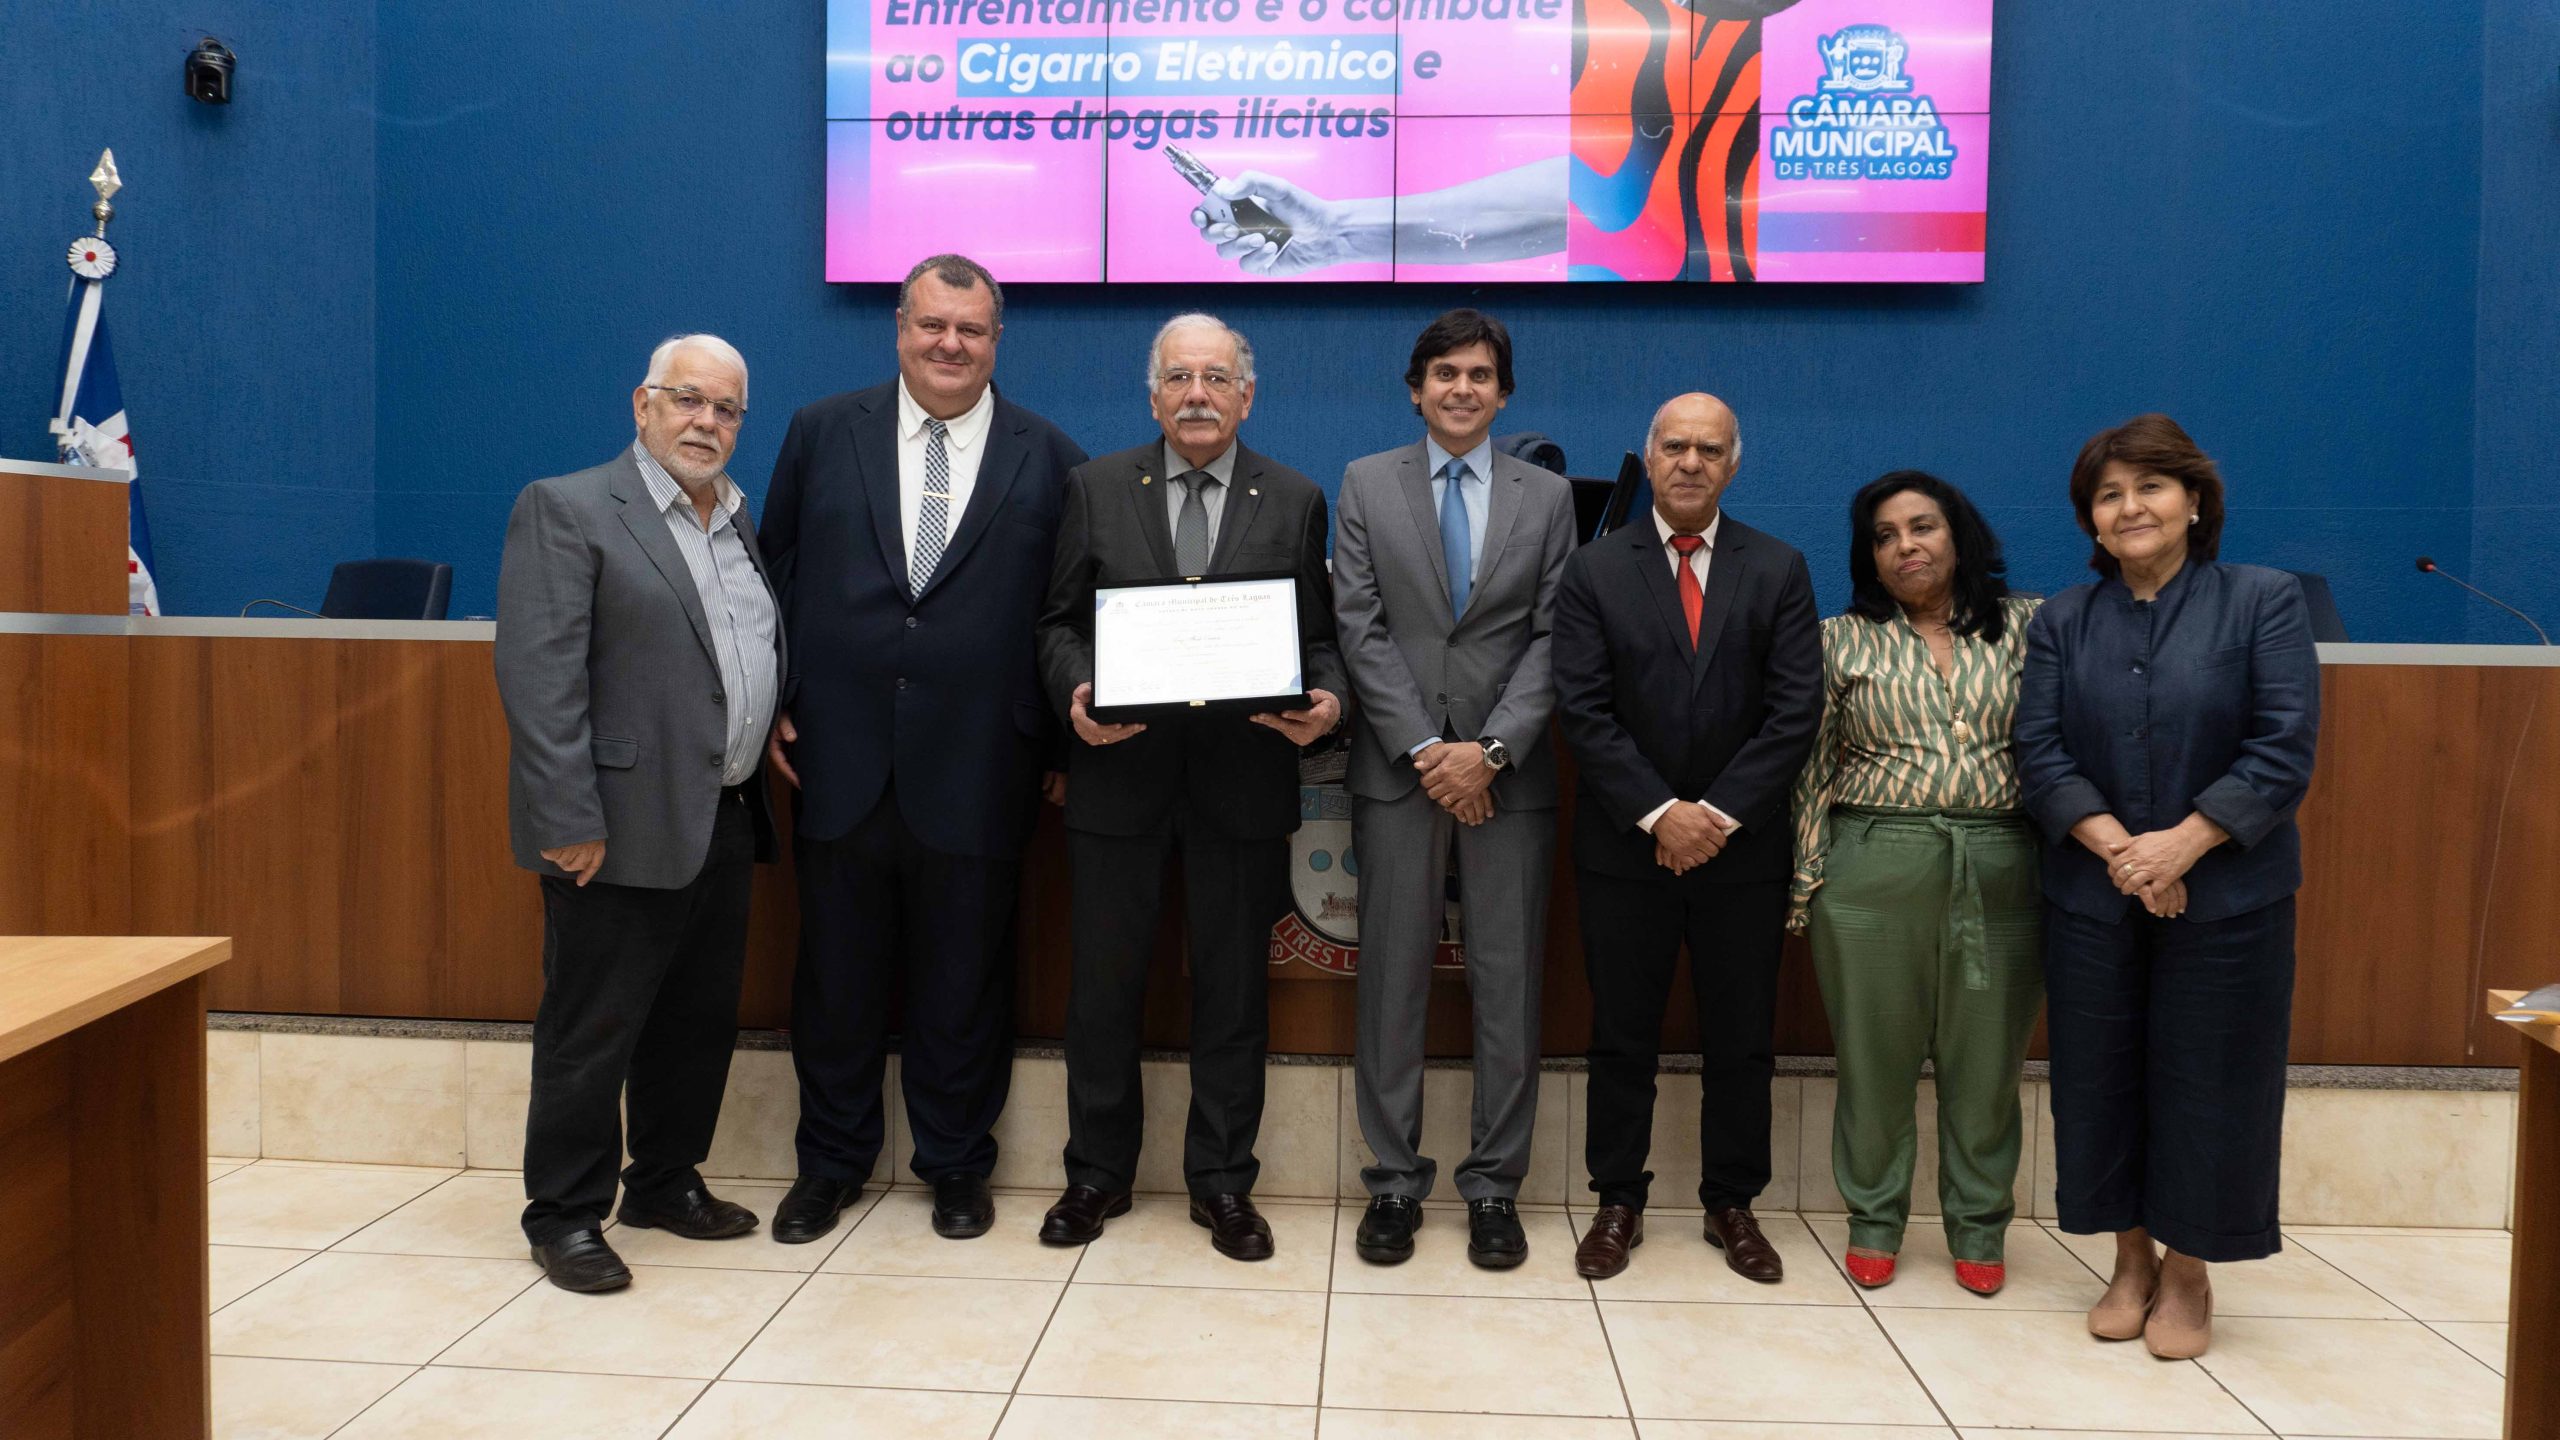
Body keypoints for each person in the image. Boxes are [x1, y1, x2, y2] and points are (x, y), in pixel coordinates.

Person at [758, 254, 1087, 1246]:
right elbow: (773, 575)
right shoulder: (822, 432)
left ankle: (955, 1164)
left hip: (985, 763)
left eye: (971, 329)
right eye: (932, 324)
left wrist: (1058, 743)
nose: (950, 343)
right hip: (838, 755)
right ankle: (830, 1165)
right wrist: (773, 701)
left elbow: (1064, 614)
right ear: (900, 327)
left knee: (965, 982)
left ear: (997, 341)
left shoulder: (1052, 456)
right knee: (835, 980)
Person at [1034, 313, 1347, 1260]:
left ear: (1247, 396)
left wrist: (1328, 700)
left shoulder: (1294, 497)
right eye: (1178, 377)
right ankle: (1096, 1174)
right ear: (1153, 395)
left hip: (1241, 783)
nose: (1197, 395)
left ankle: (1222, 1183)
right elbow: (1057, 624)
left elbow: (1320, 638)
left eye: (1215, 378)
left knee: (1233, 994)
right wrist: (1075, 690)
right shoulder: (1094, 488)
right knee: (1103, 990)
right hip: (1117, 776)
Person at [2017, 413, 2319, 1359]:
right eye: (2108, 495)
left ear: (2194, 501)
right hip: (2093, 896)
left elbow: (2283, 747)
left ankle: (2189, 1271)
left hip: (2229, 900)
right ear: (2090, 521)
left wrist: (2183, 847)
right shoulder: (2063, 620)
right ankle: (2129, 1259)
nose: (2130, 507)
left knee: (2211, 1081)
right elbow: (2039, 753)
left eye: (2149, 486)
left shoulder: (2262, 600)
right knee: (2098, 1081)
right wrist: (2128, 857)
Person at [494, 334, 782, 1293]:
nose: (707, 422)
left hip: (724, 811)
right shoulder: (569, 507)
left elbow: (730, 656)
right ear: (642, 403)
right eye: (688, 399)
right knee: (593, 1028)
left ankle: (663, 1181)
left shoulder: (737, 517)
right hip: (611, 825)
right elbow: (539, 679)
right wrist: (566, 815)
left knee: (695, 1022)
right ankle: (565, 1213)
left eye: (727, 409)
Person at [1551, 393, 1822, 1282]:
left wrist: (1715, 817)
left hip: (1742, 852)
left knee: (1741, 1037)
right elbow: (1583, 710)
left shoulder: (1778, 567)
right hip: (1625, 848)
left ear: (1733, 465)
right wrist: (1662, 813)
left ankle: (1732, 1203)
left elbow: (1795, 712)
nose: (1691, 462)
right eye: (1675, 446)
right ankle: (1617, 1199)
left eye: (1709, 449)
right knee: (1620, 1032)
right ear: (1652, 454)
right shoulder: (1594, 569)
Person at [1333, 310, 1577, 1269]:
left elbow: (1556, 635)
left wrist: (1492, 752)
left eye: (1480, 375)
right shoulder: (1366, 482)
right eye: (1444, 373)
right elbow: (1359, 626)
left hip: (1510, 778)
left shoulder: (1547, 497)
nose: (1462, 389)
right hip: (1401, 772)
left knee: (1507, 983)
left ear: (1504, 393)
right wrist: (1432, 752)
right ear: (1416, 389)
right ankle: (1393, 1183)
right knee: (1391, 980)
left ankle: (1494, 1187)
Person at [1787, 471, 2043, 1295]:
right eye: (1885, 536)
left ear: (1958, 535)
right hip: (1871, 868)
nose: (1906, 546)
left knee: (1988, 1063)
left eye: (1922, 527)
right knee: (1875, 1061)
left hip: (2002, 865)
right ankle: (1874, 1219)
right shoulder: (1839, 640)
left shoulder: (2032, 629)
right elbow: (1810, 769)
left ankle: (1979, 1224)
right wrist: (1808, 880)